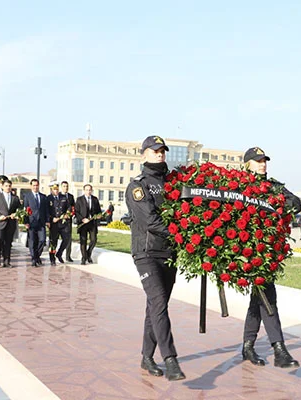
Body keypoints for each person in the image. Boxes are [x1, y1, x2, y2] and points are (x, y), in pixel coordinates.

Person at [126, 135, 185, 381]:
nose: (159, 154)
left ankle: (147, 357)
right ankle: (170, 359)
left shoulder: (174, 183)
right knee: (159, 302)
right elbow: (149, 220)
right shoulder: (137, 186)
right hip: (146, 252)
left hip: (169, 252)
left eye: (162, 151)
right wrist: (182, 232)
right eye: (154, 151)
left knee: (156, 306)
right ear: (144, 154)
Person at [240, 146, 301, 369]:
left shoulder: (273, 186)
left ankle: (247, 346)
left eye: (264, 160)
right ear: (247, 164)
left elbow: (295, 201)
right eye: (257, 161)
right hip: (245, 255)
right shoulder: (237, 186)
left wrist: (280, 204)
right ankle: (279, 349)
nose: (262, 164)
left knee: (259, 299)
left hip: (266, 254)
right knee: (267, 297)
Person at [0, 180, 21, 268]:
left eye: (9, 186)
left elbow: (19, 209)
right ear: (2, 187)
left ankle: (7, 261)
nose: (8, 187)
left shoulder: (15, 198)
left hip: (10, 223)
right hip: (0, 223)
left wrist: (16, 214)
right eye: (6, 186)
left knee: (8, 242)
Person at [23, 179, 49, 266]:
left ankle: (37, 256)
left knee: (42, 240)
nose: (35, 187)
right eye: (33, 185)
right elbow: (24, 210)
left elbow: (46, 210)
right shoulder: (27, 196)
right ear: (31, 186)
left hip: (41, 223)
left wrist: (47, 221)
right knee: (32, 241)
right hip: (31, 222)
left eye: (37, 185)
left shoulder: (43, 197)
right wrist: (25, 222)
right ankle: (34, 259)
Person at [74, 184, 101, 265]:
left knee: (93, 240)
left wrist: (98, 216)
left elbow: (99, 211)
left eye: (90, 190)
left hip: (92, 223)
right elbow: (76, 212)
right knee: (83, 241)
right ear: (84, 190)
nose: (88, 191)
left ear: (91, 190)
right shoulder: (79, 199)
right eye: (87, 190)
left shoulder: (95, 199)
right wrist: (82, 219)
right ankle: (83, 258)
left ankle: (88, 254)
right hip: (83, 224)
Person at [46, 182, 73, 265]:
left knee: (66, 239)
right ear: (51, 190)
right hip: (54, 223)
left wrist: (67, 214)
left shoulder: (64, 197)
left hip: (63, 223)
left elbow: (69, 208)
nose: (56, 191)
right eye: (54, 189)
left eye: (57, 189)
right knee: (53, 241)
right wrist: (50, 219)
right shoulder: (48, 198)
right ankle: (52, 258)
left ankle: (59, 253)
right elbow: (46, 211)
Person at [59, 181, 76, 262]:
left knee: (68, 238)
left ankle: (68, 256)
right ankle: (56, 254)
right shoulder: (58, 195)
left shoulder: (71, 196)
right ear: (61, 187)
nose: (65, 188)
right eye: (64, 186)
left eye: (67, 186)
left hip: (68, 221)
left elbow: (73, 207)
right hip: (59, 221)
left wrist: (71, 214)